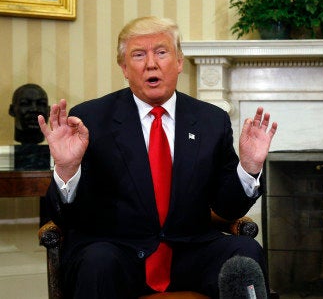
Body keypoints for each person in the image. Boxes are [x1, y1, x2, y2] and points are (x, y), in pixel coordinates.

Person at [37, 16, 277, 298]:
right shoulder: (91, 119)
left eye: (161, 52)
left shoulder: (211, 120)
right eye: (139, 55)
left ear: (178, 62)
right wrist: (66, 169)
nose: (151, 63)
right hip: (117, 252)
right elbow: (66, 216)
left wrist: (248, 167)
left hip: (190, 251)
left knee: (246, 252)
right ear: (125, 68)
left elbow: (227, 206)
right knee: (96, 261)